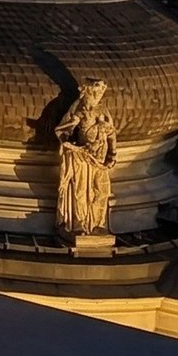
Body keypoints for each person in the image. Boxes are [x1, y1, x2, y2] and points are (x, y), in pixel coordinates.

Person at [54, 78, 116, 237]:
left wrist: (112, 154)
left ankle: (97, 223)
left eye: (102, 90)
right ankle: (79, 223)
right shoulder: (80, 108)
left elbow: (111, 133)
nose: (101, 93)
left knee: (100, 191)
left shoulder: (103, 110)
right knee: (81, 190)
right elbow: (65, 128)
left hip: (100, 160)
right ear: (89, 91)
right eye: (98, 90)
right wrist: (69, 142)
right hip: (82, 156)